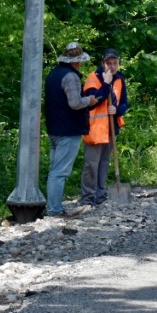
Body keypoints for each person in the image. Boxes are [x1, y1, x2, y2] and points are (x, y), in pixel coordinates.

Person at [45, 42, 111, 217]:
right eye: (80, 61)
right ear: (76, 61)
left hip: (53, 128)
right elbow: (74, 103)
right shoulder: (71, 77)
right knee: (60, 172)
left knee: (54, 170)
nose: (81, 64)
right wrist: (89, 100)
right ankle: (55, 209)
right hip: (68, 129)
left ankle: (53, 207)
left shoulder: (53, 75)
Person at [80, 48, 129, 207]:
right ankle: (88, 198)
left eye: (115, 63)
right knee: (91, 165)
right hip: (94, 129)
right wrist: (106, 83)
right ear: (103, 63)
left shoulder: (120, 79)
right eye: (109, 63)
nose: (112, 67)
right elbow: (94, 101)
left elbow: (124, 103)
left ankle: (100, 195)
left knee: (103, 163)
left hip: (111, 128)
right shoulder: (93, 79)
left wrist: (117, 110)